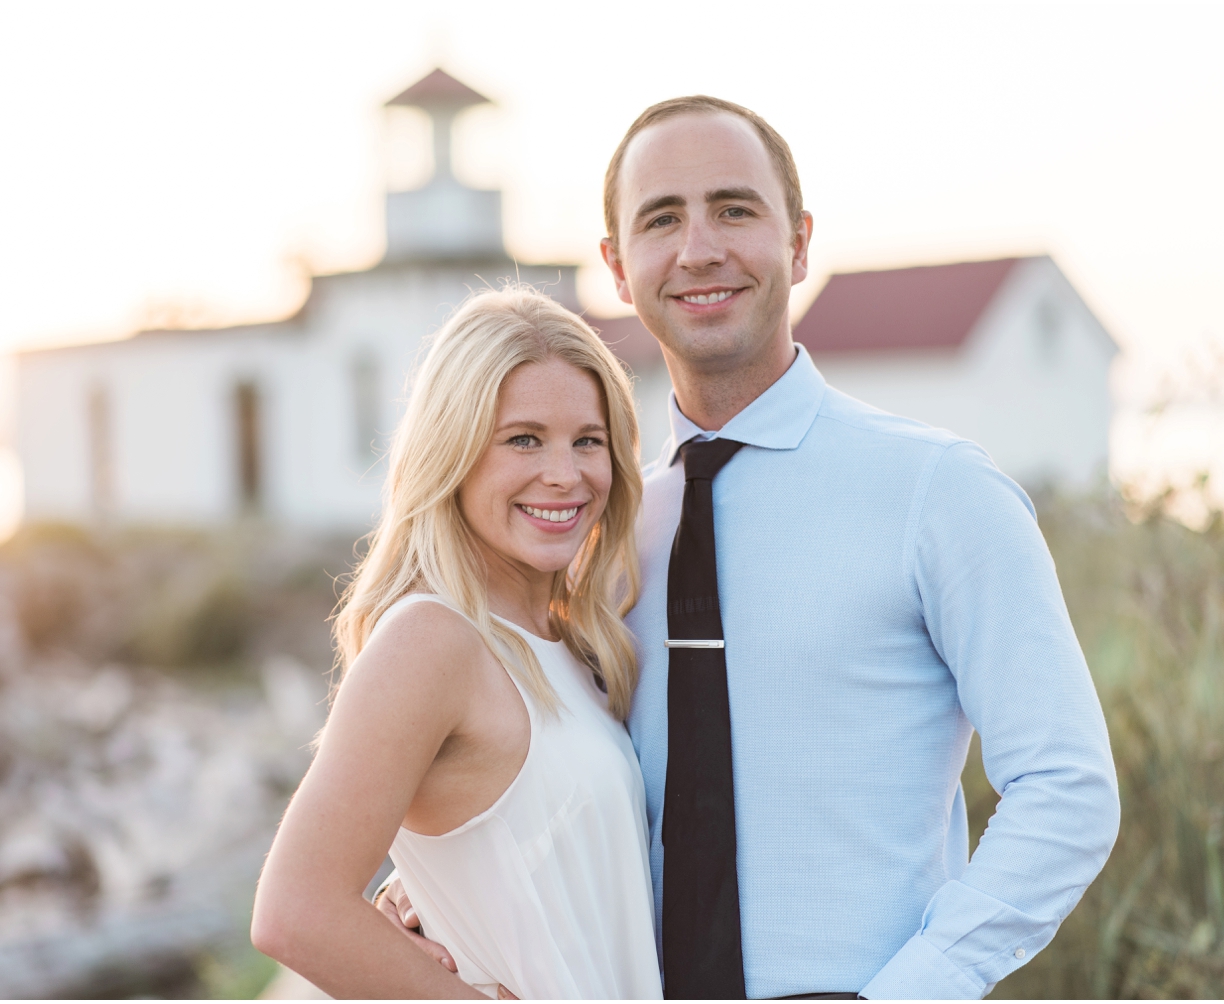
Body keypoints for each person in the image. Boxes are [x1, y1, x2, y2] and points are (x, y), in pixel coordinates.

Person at [381, 96, 1121, 999]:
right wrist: (435, 884)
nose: (700, 249)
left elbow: (1068, 787)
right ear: (617, 266)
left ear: (800, 242)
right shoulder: (595, 535)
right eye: (663, 219)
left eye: (734, 209)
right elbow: (560, 780)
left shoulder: (939, 493)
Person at [250, 287, 664, 999]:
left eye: (587, 440)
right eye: (523, 439)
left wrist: (436, 887)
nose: (565, 474)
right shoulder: (431, 638)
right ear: (455, 450)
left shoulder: (574, 640)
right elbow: (295, 910)